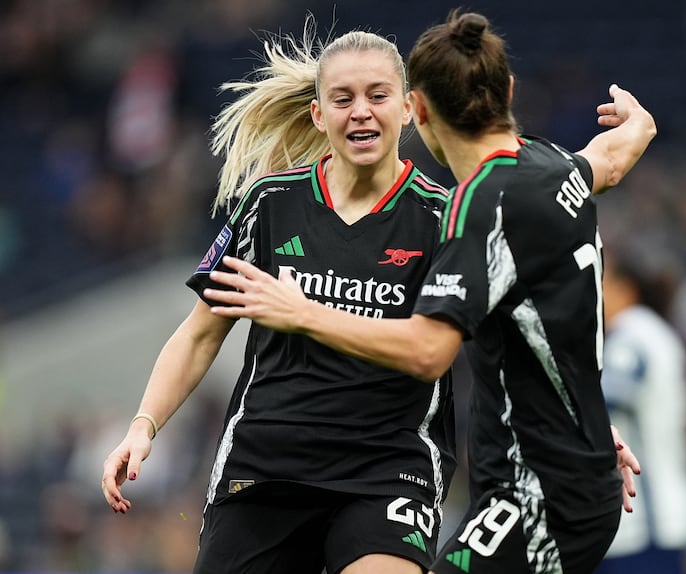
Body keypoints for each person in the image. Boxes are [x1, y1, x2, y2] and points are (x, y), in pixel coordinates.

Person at [202, 10, 655, 574]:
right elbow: (615, 153)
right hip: (562, 472)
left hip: (537, 494)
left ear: (415, 109)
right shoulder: (552, 165)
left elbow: (427, 351)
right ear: (507, 91)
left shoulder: (474, 210)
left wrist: (300, 312)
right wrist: (639, 122)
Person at [100, 23, 461, 574]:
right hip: (266, 465)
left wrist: (588, 424)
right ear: (319, 114)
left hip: (388, 468)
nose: (360, 111)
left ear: (409, 108)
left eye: (377, 95)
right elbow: (200, 332)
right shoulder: (270, 204)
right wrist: (143, 426)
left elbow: (499, 338)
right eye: (342, 99)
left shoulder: (444, 219)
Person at [594, 247, 686, 574]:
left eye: (602, 281)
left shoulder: (633, 334)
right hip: (663, 516)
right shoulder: (654, 333)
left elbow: (600, 404)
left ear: (626, 288)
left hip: (643, 525)